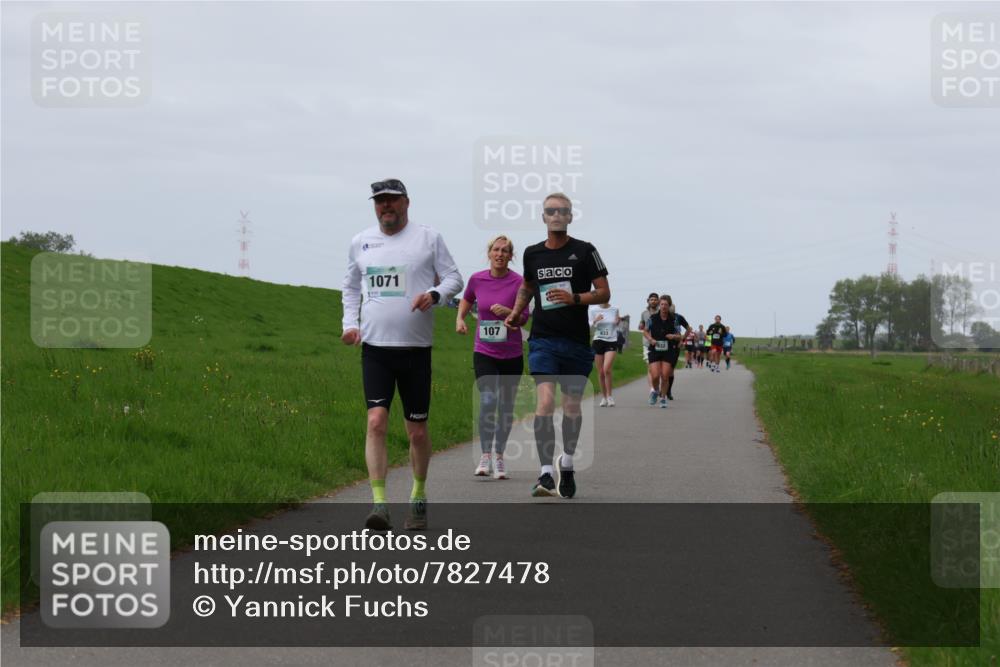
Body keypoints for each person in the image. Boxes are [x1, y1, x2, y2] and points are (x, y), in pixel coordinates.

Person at [341, 178, 463, 531]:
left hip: (415, 351)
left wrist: (436, 294)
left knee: (417, 432)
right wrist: (350, 323)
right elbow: (350, 286)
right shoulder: (360, 242)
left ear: (406, 202)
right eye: (380, 202)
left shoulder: (428, 238)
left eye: (392, 201)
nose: (386, 207)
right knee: (376, 421)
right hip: (376, 349)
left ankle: (419, 494)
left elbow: (454, 278)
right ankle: (379, 503)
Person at [504, 192, 610, 499]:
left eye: (562, 211)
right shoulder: (532, 254)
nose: (556, 215)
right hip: (543, 340)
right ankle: (546, 473)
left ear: (570, 216)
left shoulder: (585, 251)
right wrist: (515, 312)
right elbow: (527, 286)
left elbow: (603, 292)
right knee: (545, 403)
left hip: (576, 343)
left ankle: (567, 462)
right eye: (551, 211)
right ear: (543, 217)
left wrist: (575, 298)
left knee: (572, 408)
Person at [457, 235, 529, 480]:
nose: (500, 254)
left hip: (511, 353)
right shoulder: (477, 279)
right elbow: (466, 299)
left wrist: (510, 312)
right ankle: (485, 454)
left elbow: (524, 318)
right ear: (489, 253)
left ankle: (499, 456)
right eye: (496, 250)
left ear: (511, 256)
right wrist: (460, 319)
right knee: (488, 400)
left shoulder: (519, 282)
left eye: (505, 251)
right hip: (484, 351)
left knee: (505, 408)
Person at [642, 295, 691, 408]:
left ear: (669, 306)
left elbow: (679, 335)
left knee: (665, 376)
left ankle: (663, 398)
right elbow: (644, 331)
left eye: (666, 305)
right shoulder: (653, 318)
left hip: (669, 350)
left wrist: (674, 336)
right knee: (655, 376)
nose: (663, 306)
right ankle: (655, 391)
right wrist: (650, 339)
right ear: (660, 305)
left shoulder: (674, 320)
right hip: (655, 349)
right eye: (662, 304)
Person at [588, 301, 620, 407]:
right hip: (598, 341)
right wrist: (595, 320)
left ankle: (610, 397)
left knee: (607, 369)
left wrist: (617, 322)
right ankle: (604, 397)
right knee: (601, 372)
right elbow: (588, 324)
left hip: (611, 340)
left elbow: (616, 324)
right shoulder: (593, 309)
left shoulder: (615, 309)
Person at [658, 295, 689, 400]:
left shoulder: (678, 317)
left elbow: (689, 328)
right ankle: (662, 389)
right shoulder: (659, 317)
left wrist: (682, 339)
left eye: (669, 306)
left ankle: (668, 390)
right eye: (663, 305)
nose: (667, 308)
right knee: (661, 370)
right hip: (661, 344)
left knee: (669, 370)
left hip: (674, 345)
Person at [637, 293, 660, 390]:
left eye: (655, 299)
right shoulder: (644, 313)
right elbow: (641, 325)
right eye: (651, 299)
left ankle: (657, 387)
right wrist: (640, 326)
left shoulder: (661, 312)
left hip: (659, 343)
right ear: (648, 301)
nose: (653, 301)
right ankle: (652, 389)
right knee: (650, 367)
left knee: (658, 369)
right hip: (647, 343)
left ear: (658, 301)